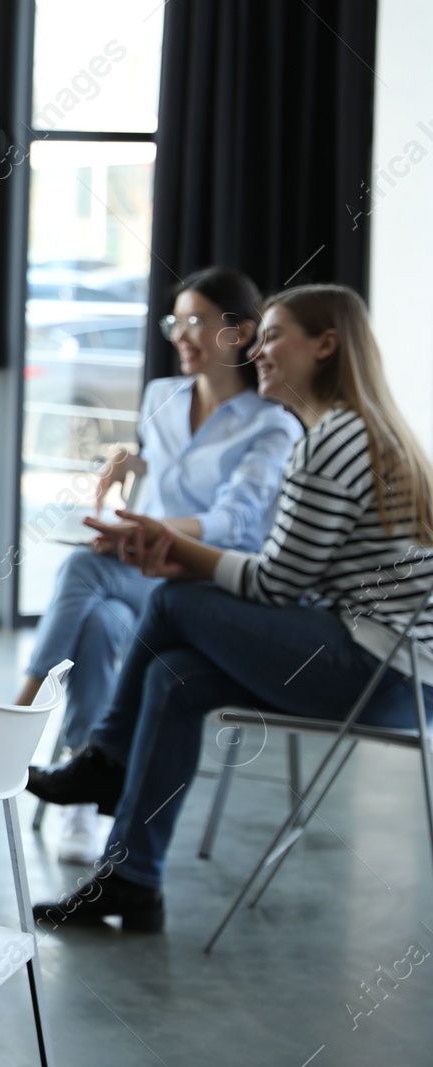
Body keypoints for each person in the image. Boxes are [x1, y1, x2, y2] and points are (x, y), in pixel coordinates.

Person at [27, 283, 433, 933]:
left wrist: (177, 551)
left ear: (325, 345)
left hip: (375, 673)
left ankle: (106, 756)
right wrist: (178, 548)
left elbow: (276, 585)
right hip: (402, 680)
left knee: (177, 599)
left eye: (274, 336)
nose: (260, 351)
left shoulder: (331, 439)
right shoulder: (361, 430)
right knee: (174, 675)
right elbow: (298, 581)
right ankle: (130, 880)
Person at [18, 266, 300, 865]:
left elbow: (235, 521)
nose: (181, 334)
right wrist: (133, 461)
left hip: (199, 582)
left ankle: (18, 720)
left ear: (240, 332)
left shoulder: (270, 425)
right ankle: (87, 795)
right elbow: (167, 469)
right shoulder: (161, 397)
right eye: (177, 321)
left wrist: (146, 531)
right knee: (94, 625)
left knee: (79, 571)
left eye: (198, 321)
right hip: (140, 574)